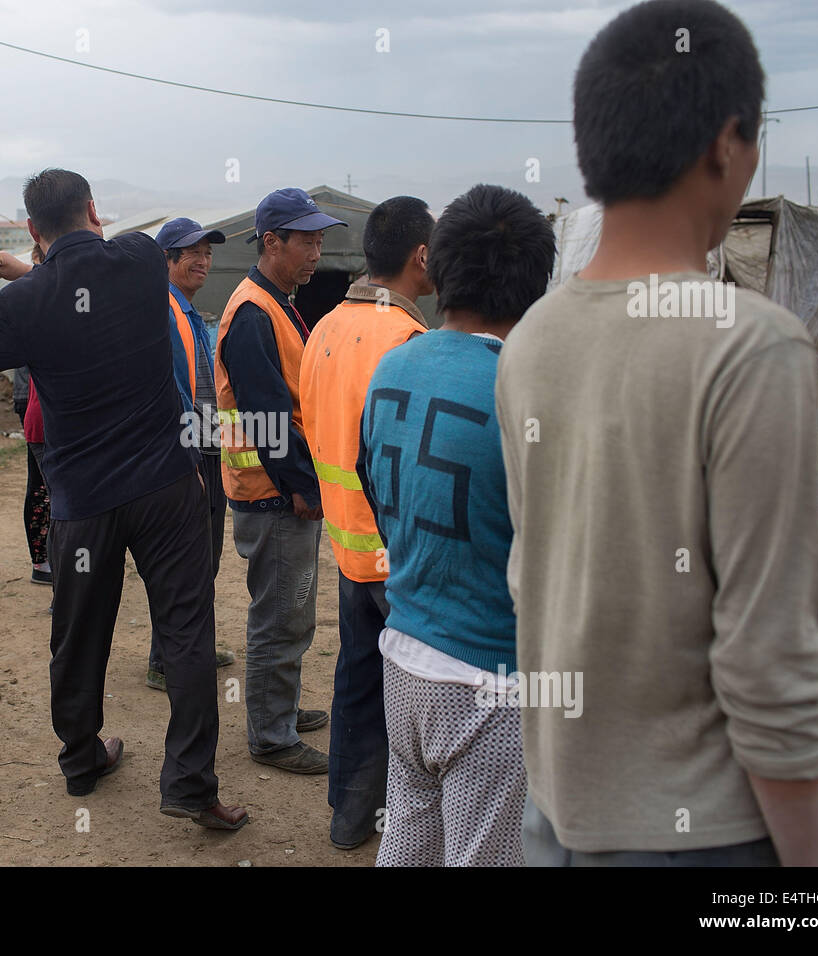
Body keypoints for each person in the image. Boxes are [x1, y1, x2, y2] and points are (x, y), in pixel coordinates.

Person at [496, 0, 818, 865]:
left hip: (553, 817)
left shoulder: (531, 338)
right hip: (698, 837)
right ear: (728, 143)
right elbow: (768, 660)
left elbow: (531, 576)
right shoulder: (754, 348)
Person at [0, 168, 247, 830]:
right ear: (93, 209)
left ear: (31, 229)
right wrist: (29, 269)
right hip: (166, 487)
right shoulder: (142, 260)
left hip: (84, 502)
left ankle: (81, 761)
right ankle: (193, 786)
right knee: (187, 635)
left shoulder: (22, 306)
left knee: (79, 636)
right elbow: (83, 284)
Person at [359, 185, 554, 866]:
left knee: (408, 846)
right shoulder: (529, 390)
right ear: (535, 285)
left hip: (404, 654)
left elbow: (374, 489)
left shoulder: (392, 367)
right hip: (490, 679)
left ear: (438, 271)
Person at [300, 196, 434, 849]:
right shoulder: (409, 343)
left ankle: (349, 816)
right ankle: (409, 828)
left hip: (348, 546)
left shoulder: (323, 327)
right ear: (421, 256)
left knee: (356, 676)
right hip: (401, 554)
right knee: (413, 692)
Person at [214, 187, 344, 774]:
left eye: (320, 239)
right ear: (272, 241)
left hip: (278, 490)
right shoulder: (252, 313)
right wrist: (304, 487)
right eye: (308, 240)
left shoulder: (277, 300)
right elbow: (268, 417)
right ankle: (271, 735)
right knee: (280, 615)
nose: (318, 251)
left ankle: (281, 710)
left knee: (291, 611)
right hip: (272, 496)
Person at [144, 217, 237, 690]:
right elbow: (168, 388)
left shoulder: (188, 311)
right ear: (167, 260)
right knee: (184, 560)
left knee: (205, 557)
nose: (203, 261)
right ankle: (165, 661)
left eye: (208, 253)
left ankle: (191, 645)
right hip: (186, 450)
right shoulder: (161, 308)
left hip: (205, 444)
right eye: (192, 253)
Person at [21, 245, 53, 590]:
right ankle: (47, 566)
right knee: (53, 500)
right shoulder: (42, 305)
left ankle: (52, 568)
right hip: (46, 421)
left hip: (45, 419)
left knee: (54, 497)